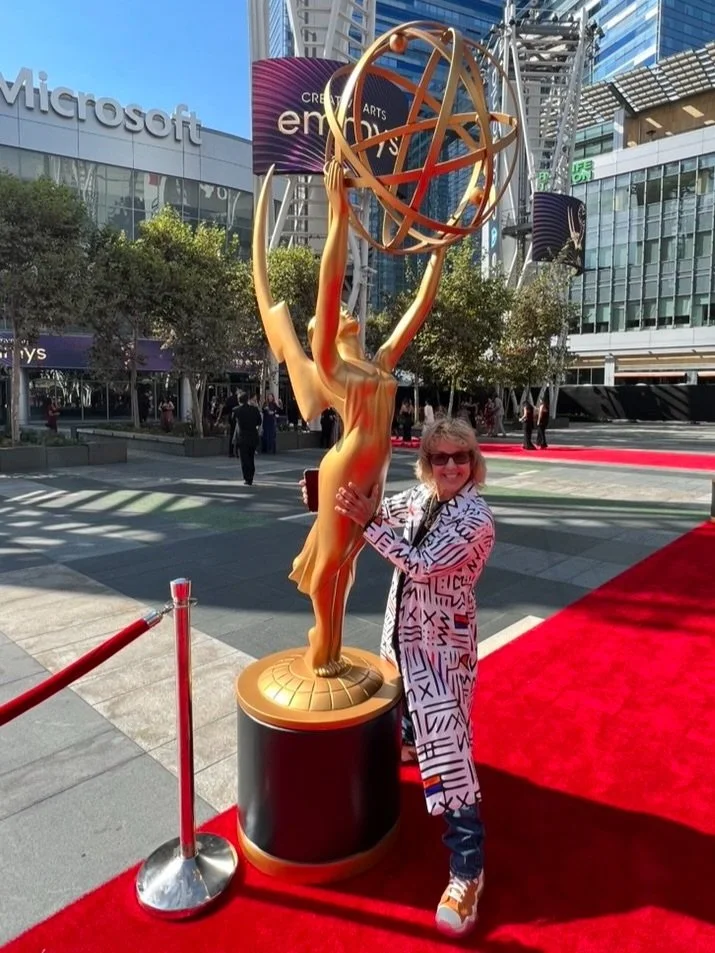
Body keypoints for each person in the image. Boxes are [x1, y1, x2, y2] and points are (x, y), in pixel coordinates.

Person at [253, 157, 447, 676]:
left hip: (372, 476)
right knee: (326, 569)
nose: (342, 312)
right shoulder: (334, 369)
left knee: (350, 564)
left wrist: (439, 249)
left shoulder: (379, 362)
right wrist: (338, 212)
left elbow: (419, 309)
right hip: (347, 471)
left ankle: (332, 639)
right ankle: (323, 638)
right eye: (332, 316)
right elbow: (331, 282)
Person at [333, 417, 495, 939]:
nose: (451, 467)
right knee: (405, 708)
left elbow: (421, 563)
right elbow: (378, 504)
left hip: (443, 650)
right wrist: (327, 492)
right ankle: (407, 744)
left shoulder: (477, 519)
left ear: (474, 462)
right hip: (404, 635)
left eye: (460, 457)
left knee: (449, 755)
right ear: (427, 463)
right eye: (440, 458)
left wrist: (369, 524)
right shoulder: (422, 498)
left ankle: (468, 870)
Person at [232, 393, 262, 485]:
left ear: (239, 400)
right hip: (253, 436)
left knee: (244, 459)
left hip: (242, 437)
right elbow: (259, 422)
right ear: (247, 400)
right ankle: (251, 476)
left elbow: (232, 420)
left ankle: (247, 478)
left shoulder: (236, 410)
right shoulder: (255, 409)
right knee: (251, 457)